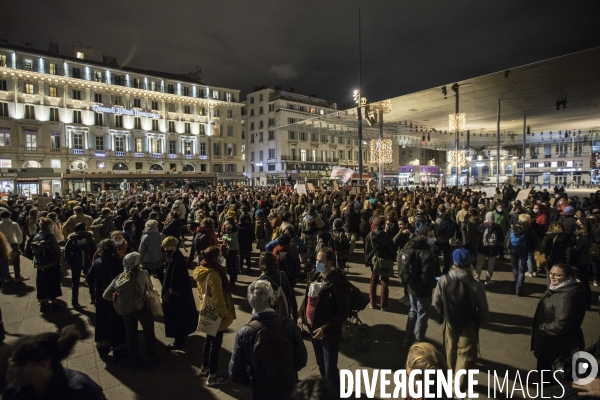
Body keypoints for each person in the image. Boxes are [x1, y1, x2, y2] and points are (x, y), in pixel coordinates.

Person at [229, 280, 307, 399]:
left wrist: (252, 381)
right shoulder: (289, 325)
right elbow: (301, 359)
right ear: (271, 300)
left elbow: (235, 373)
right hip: (288, 388)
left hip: (261, 392)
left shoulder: (244, 333)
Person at [433, 248, 489, 394]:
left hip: (450, 321)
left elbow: (436, 301)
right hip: (468, 323)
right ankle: (458, 386)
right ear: (470, 263)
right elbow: (483, 309)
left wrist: (444, 314)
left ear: (454, 263)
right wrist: (479, 323)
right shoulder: (476, 285)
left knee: (450, 350)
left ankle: (451, 376)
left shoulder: (444, 279)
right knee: (465, 355)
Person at [3, 326, 107, 400]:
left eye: (19, 363)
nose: (12, 368)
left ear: (44, 365)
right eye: (12, 361)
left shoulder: (79, 392)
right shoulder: (13, 392)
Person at [297, 247, 351, 389]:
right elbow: (307, 299)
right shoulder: (314, 276)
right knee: (321, 364)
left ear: (329, 263)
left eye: (321, 261)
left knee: (329, 367)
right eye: (316, 260)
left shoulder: (339, 283)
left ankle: (334, 392)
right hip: (313, 331)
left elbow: (343, 313)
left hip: (329, 335)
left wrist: (325, 329)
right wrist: (301, 315)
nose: (317, 263)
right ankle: (326, 388)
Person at [103, 252, 159, 370]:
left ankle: (134, 359)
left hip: (126, 310)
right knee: (148, 332)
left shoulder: (120, 277)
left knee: (131, 335)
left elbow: (106, 294)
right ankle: (151, 356)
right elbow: (148, 288)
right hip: (142, 307)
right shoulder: (143, 274)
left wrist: (116, 300)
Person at [531, 264, 586, 377]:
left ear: (569, 278)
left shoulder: (566, 297)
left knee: (548, 380)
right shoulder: (558, 288)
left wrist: (542, 327)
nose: (552, 276)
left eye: (558, 275)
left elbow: (562, 324)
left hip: (556, 348)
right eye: (551, 273)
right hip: (551, 346)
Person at [193, 245, 236, 387]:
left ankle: (204, 367)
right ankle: (213, 375)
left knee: (208, 339)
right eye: (219, 255)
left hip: (206, 309)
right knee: (215, 345)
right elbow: (218, 298)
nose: (221, 257)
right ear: (214, 258)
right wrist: (225, 313)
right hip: (216, 313)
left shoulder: (202, 269)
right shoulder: (215, 274)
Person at [86, 240, 128, 358]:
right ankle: (118, 346)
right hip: (116, 295)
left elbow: (89, 278)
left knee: (102, 319)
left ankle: (103, 344)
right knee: (117, 320)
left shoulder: (98, 263)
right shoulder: (118, 262)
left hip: (101, 296)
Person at [400, 226, 439, 345]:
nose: (433, 238)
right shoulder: (427, 253)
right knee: (422, 316)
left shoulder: (409, 247)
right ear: (423, 237)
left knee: (413, 311)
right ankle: (418, 341)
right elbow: (428, 275)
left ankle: (407, 338)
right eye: (430, 236)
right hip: (423, 290)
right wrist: (434, 282)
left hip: (411, 287)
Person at [161, 236, 198, 349]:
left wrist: (171, 292)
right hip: (180, 294)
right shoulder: (176, 256)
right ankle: (181, 335)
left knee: (177, 317)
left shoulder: (176, 259)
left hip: (177, 296)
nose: (165, 249)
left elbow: (176, 279)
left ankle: (179, 340)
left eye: (167, 246)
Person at [28, 218, 62, 313]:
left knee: (42, 283)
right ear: (48, 226)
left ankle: (44, 303)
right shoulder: (50, 236)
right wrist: (59, 258)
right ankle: (54, 302)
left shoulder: (36, 236)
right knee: (53, 282)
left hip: (40, 264)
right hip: (51, 263)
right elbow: (56, 249)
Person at [364, 217, 397, 310]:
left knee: (373, 281)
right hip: (385, 261)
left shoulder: (370, 235)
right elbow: (392, 249)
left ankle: (372, 302)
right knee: (385, 282)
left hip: (374, 261)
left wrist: (367, 261)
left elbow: (367, 249)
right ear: (383, 225)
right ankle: (384, 304)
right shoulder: (386, 236)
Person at [64, 222, 97, 308]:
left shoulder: (71, 239)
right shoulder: (89, 238)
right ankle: (93, 297)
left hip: (75, 262)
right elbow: (95, 250)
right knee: (90, 280)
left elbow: (67, 252)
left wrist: (70, 262)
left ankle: (74, 301)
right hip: (88, 261)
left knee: (75, 282)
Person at [506, 215, 537, 296]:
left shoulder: (512, 228)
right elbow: (534, 241)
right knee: (521, 270)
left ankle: (516, 281)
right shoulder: (529, 230)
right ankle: (518, 289)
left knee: (514, 267)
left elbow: (506, 238)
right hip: (524, 252)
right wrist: (530, 250)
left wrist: (508, 248)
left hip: (513, 250)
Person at [258, 251, 295, 319]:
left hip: (269, 315)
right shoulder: (282, 274)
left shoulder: (262, 280)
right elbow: (289, 292)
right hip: (283, 310)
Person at [0, 210, 27, 282]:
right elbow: (19, 234)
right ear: (10, 215)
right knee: (16, 260)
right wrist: (19, 242)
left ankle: (7, 276)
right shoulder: (13, 224)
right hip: (13, 243)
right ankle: (17, 275)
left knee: (4, 260)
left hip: (3, 244)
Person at [433, 205, 454, 274]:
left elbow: (436, 232)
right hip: (447, 240)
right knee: (447, 257)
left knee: (435, 256)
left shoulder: (439, 220)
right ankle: (446, 270)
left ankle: (437, 271)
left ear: (438, 210)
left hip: (439, 240)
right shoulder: (450, 218)